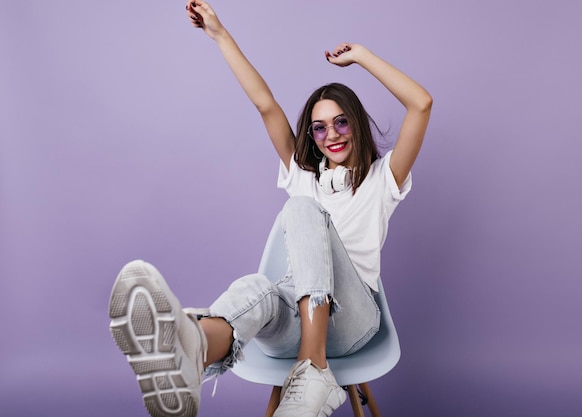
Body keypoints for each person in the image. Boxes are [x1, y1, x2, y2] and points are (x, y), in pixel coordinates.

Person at [108, 1, 432, 416]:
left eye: (341, 122)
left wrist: (361, 56)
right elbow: (265, 103)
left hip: (354, 322)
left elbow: (420, 103)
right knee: (257, 287)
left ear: (356, 123)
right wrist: (218, 33)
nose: (330, 134)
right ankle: (192, 348)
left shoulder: (382, 179)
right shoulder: (305, 176)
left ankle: (313, 369)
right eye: (319, 127)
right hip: (296, 321)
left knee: (300, 208)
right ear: (311, 136)